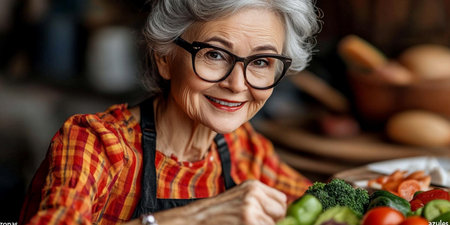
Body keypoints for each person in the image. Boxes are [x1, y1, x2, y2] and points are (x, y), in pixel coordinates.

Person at [19, 0, 320, 224]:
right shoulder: (97, 143)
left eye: (261, 62)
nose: (237, 84)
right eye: (214, 54)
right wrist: (198, 216)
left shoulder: (244, 148)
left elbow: (320, 203)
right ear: (164, 57)